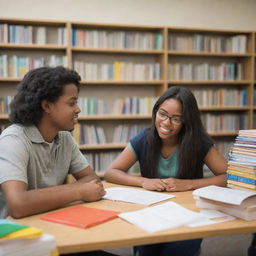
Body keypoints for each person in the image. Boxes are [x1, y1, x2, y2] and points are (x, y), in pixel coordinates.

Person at [0, 66, 116, 256]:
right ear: (46, 106)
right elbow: (18, 204)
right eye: (71, 103)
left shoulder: (64, 137)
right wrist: (78, 190)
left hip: (56, 230)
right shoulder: (13, 140)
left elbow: (92, 181)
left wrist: (75, 190)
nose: (78, 109)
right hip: (20, 244)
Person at [104, 86, 227, 256]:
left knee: (180, 248)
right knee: (147, 248)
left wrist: (189, 184)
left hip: (187, 215)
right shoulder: (144, 138)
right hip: (151, 214)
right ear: (155, 112)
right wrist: (143, 181)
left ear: (187, 121)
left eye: (176, 119)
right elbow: (111, 172)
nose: (166, 123)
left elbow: (230, 177)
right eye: (162, 114)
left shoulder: (199, 142)